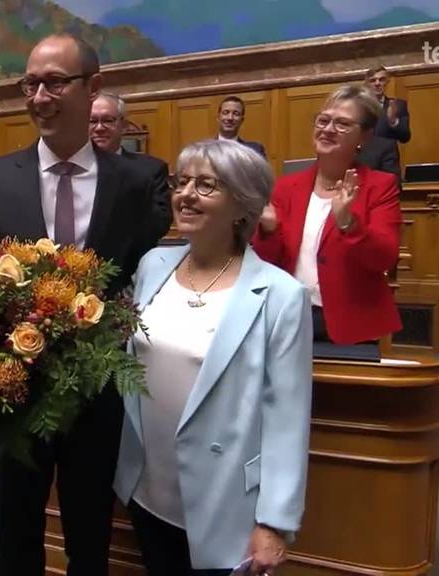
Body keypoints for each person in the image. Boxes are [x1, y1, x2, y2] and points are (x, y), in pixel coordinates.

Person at [0, 34, 170, 576]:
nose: (38, 96)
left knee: (90, 539)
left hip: (98, 396)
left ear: (92, 87)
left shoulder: (139, 182)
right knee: (15, 539)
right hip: (14, 392)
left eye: (54, 82)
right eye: (30, 84)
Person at [115, 139, 312, 576]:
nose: (185, 194)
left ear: (242, 203)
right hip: (148, 487)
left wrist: (274, 522)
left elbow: (287, 417)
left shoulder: (280, 295)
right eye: (181, 182)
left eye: (206, 185)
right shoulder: (154, 264)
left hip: (224, 501)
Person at [253, 83, 402, 345]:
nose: (328, 129)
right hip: (288, 318)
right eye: (323, 121)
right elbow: (268, 262)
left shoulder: (380, 186)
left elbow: (384, 258)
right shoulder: (286, 187)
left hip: (351, 322)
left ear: (364, 137)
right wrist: (268, 230)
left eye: (342, 124)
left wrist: (348, 224)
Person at [89, 91, 171, 245]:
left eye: (108, 120)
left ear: (124, 126)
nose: (99, 128)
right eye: (92, 121)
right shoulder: (71, 169)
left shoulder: (151, 169)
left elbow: (160, 225)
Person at [358, 66, 409, 177]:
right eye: (373, 80)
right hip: (364, 161)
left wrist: (393, 121)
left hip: (388, 163)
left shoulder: (398, 105)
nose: (377, 83)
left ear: (387, 81)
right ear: (366, 83)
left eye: (381, 79)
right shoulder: (358, 107)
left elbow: (405, 137)